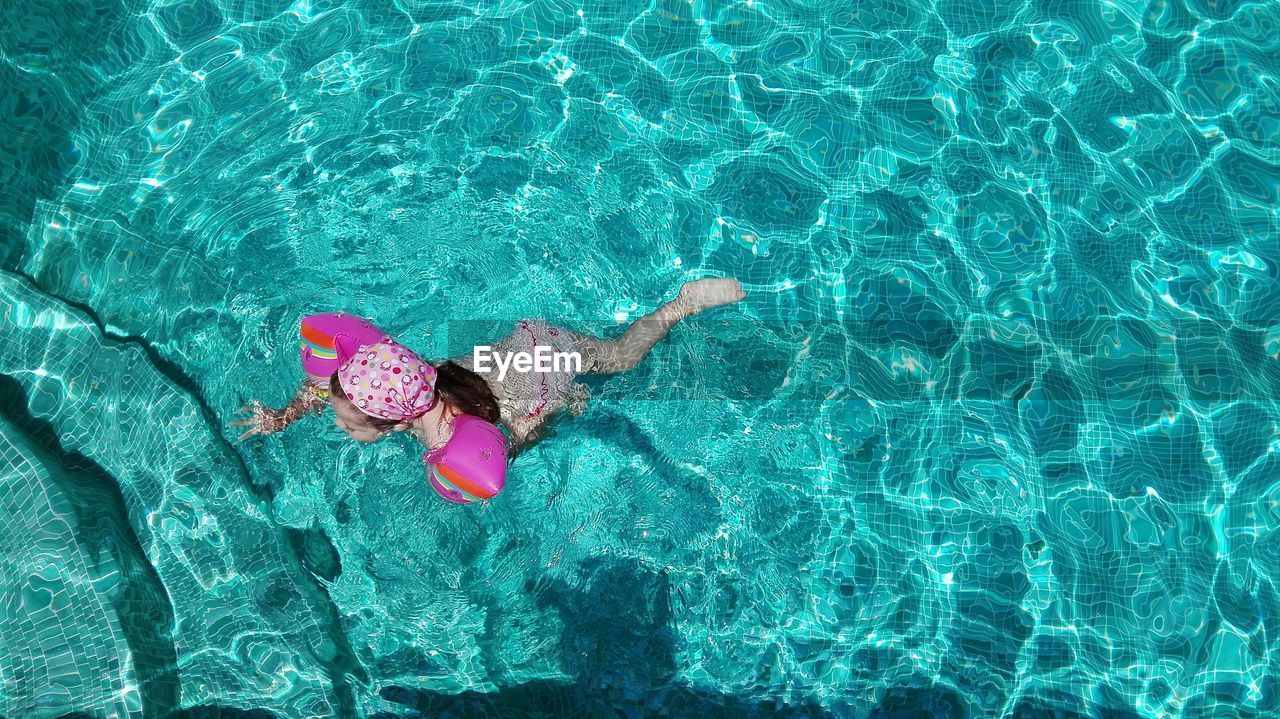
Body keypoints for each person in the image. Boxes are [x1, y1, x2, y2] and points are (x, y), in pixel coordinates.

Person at [231, 278, 745, 500]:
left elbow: (521, 437)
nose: (337, 421)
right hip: (526, 349)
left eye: (345, 420)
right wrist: (286, 414)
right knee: (604, 359)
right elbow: (333, 387)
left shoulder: (459, 442)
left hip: (545, 371)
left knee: (622, 359)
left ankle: (680, 306)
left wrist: (563, 407)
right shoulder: (415, 381)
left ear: (395, 423)